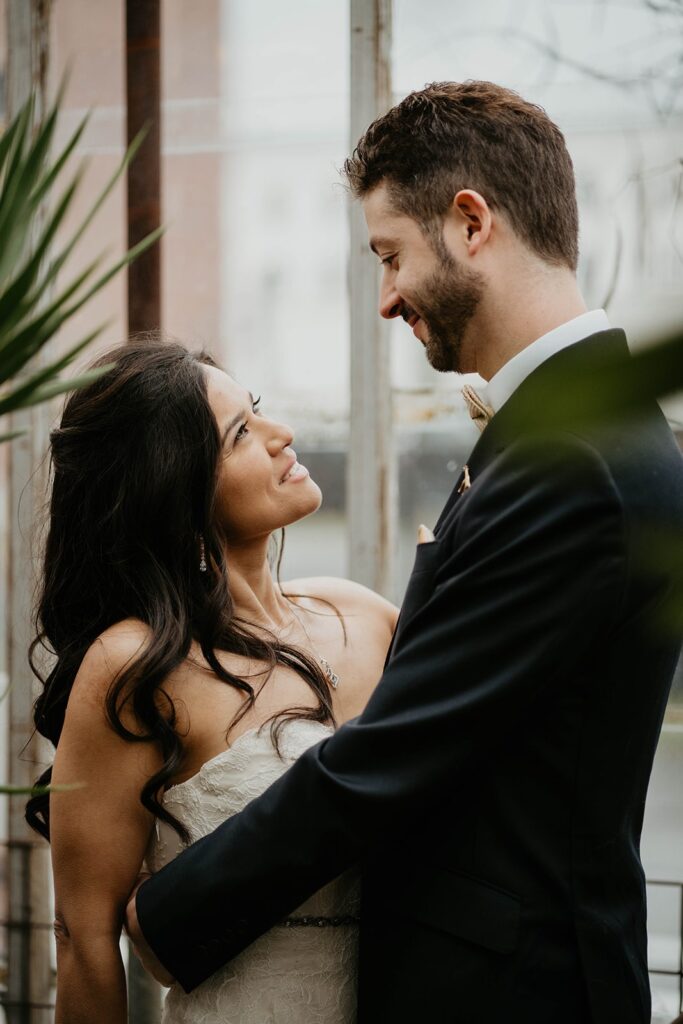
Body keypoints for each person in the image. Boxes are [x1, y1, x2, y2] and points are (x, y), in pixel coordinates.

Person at [127, 81, 683, 1024]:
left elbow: (402, 746)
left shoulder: (572, 462)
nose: (386, 299)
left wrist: (172, 913)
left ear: (471, 222)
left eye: (390, 255)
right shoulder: (582, 435)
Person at [25, 340, 398, 1023]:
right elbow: (85, 943)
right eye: (241, 434)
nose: (282, 434)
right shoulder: (137, 668)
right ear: (177, 488)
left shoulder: (365, 615)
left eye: (256, 410)